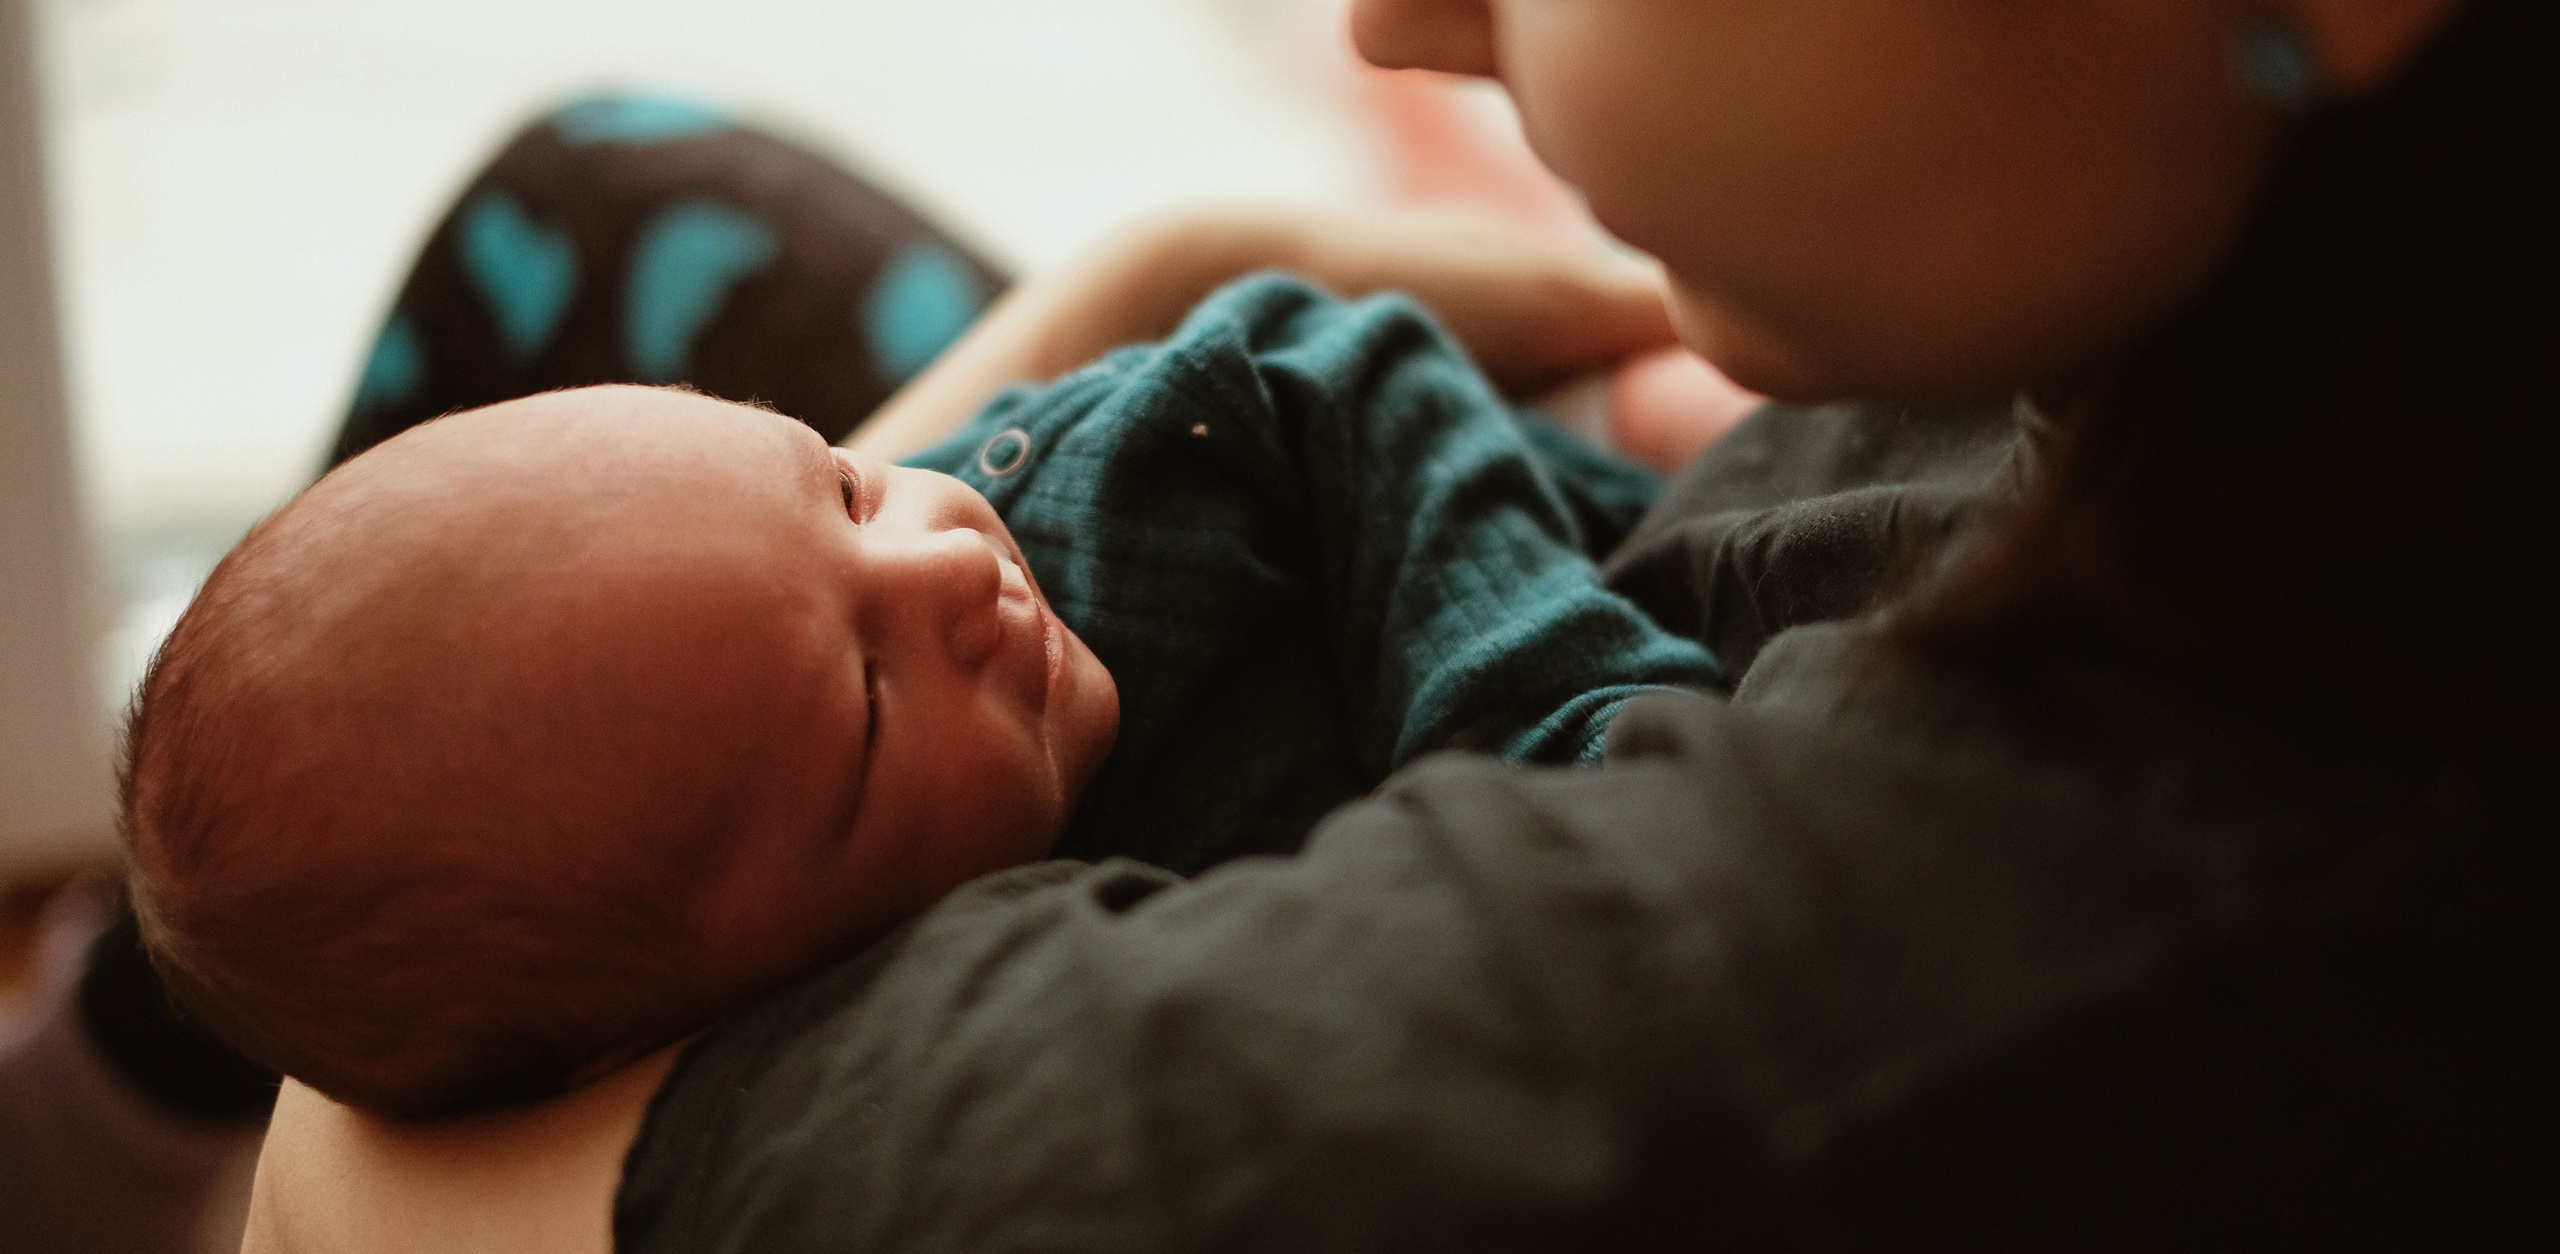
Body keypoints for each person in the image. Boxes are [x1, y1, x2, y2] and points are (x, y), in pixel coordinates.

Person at [221, 0, 2550, 1245]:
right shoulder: (2312, 305)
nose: (1392, 19)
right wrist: (1173, 287)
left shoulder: (1863, 973)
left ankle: (118, 1127)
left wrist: (1152, 316)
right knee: (607, 217)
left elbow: (364, 1166)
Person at [121, 276, 1715, 1118]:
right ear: (706, 1015)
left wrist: (1531, 708)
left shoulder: (1121, 502)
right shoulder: (901, 1058)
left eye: (842, 483)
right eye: (872, 708)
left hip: (1636, 548)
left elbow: (1325, 360)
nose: (951, 565)